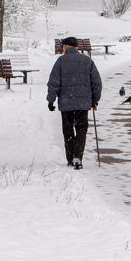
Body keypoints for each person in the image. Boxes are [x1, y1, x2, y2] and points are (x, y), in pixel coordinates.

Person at [47, 36, 102, 170]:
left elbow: (54, 82)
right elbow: (97, 83)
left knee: (68, 131)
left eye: (63, 46)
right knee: (81, 131)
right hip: (83, 105)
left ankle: (71, 158)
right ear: (76, 47)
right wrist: (95, 99)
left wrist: (51, 100)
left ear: (66, 46)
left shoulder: (60, 61)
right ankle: (78, 157)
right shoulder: (87, 61)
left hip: (66, 104)